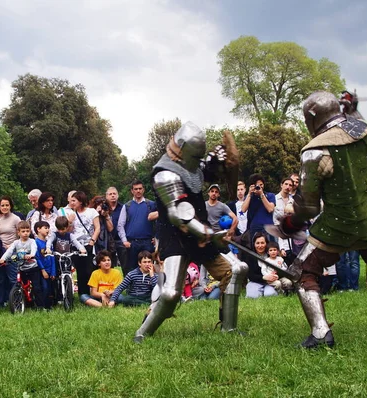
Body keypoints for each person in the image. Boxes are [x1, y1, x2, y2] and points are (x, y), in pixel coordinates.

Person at [272, 91, 367, 348]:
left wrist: (290, 225)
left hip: (337, 225)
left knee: (302, 272)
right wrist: (353, 110)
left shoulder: (314, 151)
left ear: (312, 118)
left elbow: (308, 207)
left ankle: (321, 333)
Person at [134, 121, 248, 342]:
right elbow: (179, 214)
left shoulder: (192, 165)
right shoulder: (164, 174)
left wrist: (222, 164)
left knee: (236, 270)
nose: (199, 162)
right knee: (170, 294)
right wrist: (209, 234)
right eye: (197, 156)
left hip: (201, 236)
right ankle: (142, 333)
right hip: (175, 236)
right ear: (184, 148)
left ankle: (228, 328)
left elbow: (209, 172)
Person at [118, 180, 158, 276]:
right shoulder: (127, 206)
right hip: (132, 243)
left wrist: (157, 237)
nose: (138, 191)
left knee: (149, 268)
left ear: (143, 190)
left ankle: (149, 289)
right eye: (136, 189)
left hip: (147, 242)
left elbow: (160, 222)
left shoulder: (151, 205)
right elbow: (120, 225)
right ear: (132, 191)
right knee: (132, 269)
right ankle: (132, 290)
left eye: (140, 188)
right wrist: (124, 241)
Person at [0, 220, 41, 308]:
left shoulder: (32, 241)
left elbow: (34, 248)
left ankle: (39, 305)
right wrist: (3, 258)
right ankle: (24, 302)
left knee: (36, 287)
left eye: (27, 231)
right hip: (22, 268)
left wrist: (31, 255)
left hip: (33, 267)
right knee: (22, 285)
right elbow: (9, 251)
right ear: (18, 232)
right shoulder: (16, 243)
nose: (25, 233)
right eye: (23, 231)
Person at [69, 191, 100, 297]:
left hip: (89, 243)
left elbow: (97, 228)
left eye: (74, 200)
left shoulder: (91, 211)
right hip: (76, 244)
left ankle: (93, 292)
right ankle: (83, 294)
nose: (72, 203)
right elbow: (69, 231)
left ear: (81, 201)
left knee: (90, 269)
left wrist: (92, 241)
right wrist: (69, 221)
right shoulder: (71, 214)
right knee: (80, 270)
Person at [0, 196, 21, 307]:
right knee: (0, 278)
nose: (4, 207)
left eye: (7, 205)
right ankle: (0, 302)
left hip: (12, 252)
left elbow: (22, 233)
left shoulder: (16, 218)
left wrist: (14, 244)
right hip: (0, 251)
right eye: (2, 205)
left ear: (11, 206)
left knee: (12, 277)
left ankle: (16, 300)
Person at [241, 173, 276, 240]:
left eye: (261, 185)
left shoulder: (270, 195)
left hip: (268, 228)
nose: (259, 187)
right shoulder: (249, 197)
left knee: (269, 248)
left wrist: (261, 195)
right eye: (257, 185)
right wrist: (249, 194)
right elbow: (243, 209)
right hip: (254, 228)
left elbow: (270, 209)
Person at [245, 233, 278, 298]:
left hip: (270, 283)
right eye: (257, 243)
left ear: (266, 243)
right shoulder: (250, 256)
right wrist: (263, 277)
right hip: (255, 282)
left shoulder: (272, 254)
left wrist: (273, 276)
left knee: (270, 295)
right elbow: (250, 275)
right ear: (254, 244)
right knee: (252, 297)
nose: (260, 246)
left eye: (262, 243)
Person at [34, 221, 56, 310]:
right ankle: (42, 306)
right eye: (45, 228)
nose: (48, 230)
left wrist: (53, 271)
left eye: (48, 228)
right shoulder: (35, 242)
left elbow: (52, 257)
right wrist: (43, 270)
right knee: (44, 288)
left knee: (50, 289)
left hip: (50, 269)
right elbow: (37, 257)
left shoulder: (49, 243)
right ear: (38, 229)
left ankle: (49, 305)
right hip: (42, 270)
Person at [105, 187, 127, 270]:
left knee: (125, 266)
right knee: (108, 267)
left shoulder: (123, 208)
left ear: (117, 195)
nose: (112, 196)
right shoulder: (103, 208)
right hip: (107, 241)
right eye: (110, 194)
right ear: (106, 196)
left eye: (114, 194)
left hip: (120, 240)